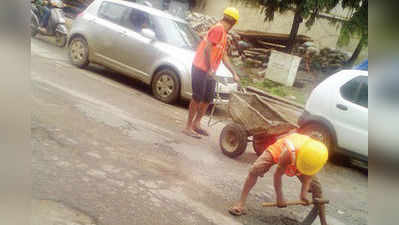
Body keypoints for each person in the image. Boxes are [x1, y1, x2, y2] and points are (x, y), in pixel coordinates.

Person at [229, 132, 329, 225]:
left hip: (302, 159)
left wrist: (303, 194)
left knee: (317, 189)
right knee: (255, 169)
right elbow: (277, 175)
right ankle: (240, 204)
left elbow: (308, 177)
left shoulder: (318, 156)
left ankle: (324, 223)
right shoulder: (289, 152)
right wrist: (279, 197)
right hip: (281, 150)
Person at [183, 7, 241, 139]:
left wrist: (233, 73)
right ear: (234, 22)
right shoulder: (218, 29)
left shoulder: (224, 34)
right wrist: (210, 68)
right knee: (197, 97)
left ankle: (197, 124)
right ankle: (188, 127)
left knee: (207, 98)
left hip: (209, 71)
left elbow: (223, 55)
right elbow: (207, 49)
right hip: (200, 68)